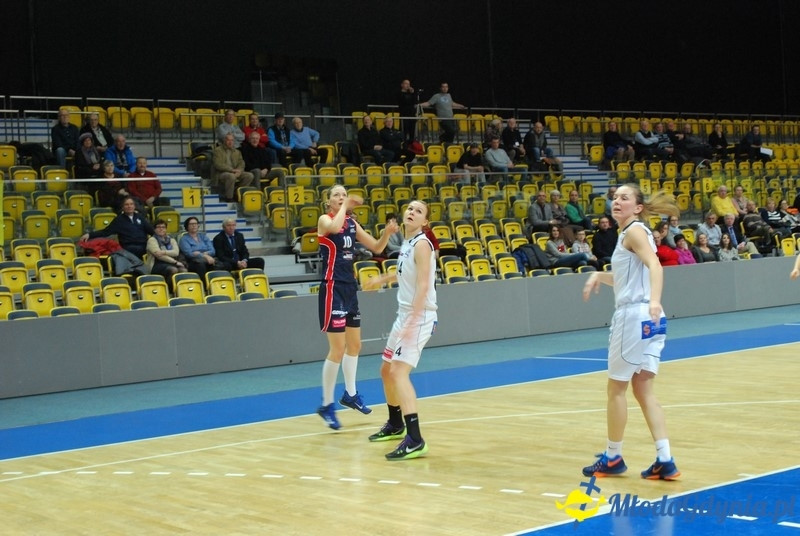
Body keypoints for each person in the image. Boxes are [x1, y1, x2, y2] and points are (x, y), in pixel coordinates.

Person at [581, 184, 681, 481]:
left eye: (624, 197)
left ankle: (613, 456)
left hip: (636, 316)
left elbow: (655, 266)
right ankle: (665, 459)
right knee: (643, 388)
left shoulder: (634, 231)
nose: (617, 201)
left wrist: (653, 300)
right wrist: (600, 275)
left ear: (637, 207)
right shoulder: (632, 234)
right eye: (614, 197)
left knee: (616, 389)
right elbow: (628, 278)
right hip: (651, 319)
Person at [316, 185, 399, 430]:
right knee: (337, 349)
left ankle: (350, 394)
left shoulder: (351, 222)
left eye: (343, 195)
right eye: (336, 195)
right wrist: (345, 206)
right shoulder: (326, 219)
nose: (341, 198)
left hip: (349, 287)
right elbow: (332, 229)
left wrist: (386, 233)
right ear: (329, 201)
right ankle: (327, 404)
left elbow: (376, 247)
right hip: (332, 287)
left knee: (355, 345)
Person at [362, 200, 437, 460]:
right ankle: (396, 424)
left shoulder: (423, 244)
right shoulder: (407, 243)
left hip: (419, 315)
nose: (412, 212)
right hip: (404, 314)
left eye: (418, 211)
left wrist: (412, 321)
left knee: (398, 372)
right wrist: (381, 279)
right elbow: (404, 273)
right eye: (410, 208)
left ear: (425, 222)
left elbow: (424, 285)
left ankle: (415, 439)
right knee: (385, 369)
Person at [80, 196, 153, 259]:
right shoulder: (119, 220)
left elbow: (151, 231)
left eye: (131, 204)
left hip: (143, 244)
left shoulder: (140, 218)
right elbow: (105, 232)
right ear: (123, 207)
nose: (129, 206)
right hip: (128, 247)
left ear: (134, 206)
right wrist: (89, 235)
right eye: (126, 204)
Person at [212, 133, 255, 202]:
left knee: (249, 175)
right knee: (231, 176)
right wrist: (232, 170)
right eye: (228, 140)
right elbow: (218, 164)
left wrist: (239, 170)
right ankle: (229, 198)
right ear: (224, 141)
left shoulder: (237, 152)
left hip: (235, 172)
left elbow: (241, 163)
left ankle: (237, 193)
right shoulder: (218, 150)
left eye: (232, 140)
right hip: (221, 173)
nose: (230, 142)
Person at [397, 79, 419, 143]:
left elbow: (415, 102)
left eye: (408, 84)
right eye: (406, 84)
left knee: (412, 132)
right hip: (404, 115)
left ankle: (411, 144)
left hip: (412, 115)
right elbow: (402, 101)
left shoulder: (411, 93)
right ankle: (403, 144)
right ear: (402, 85)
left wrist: (413, 93)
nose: (408, 85)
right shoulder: (399, 93)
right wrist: (403, 92)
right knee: (404, 131)